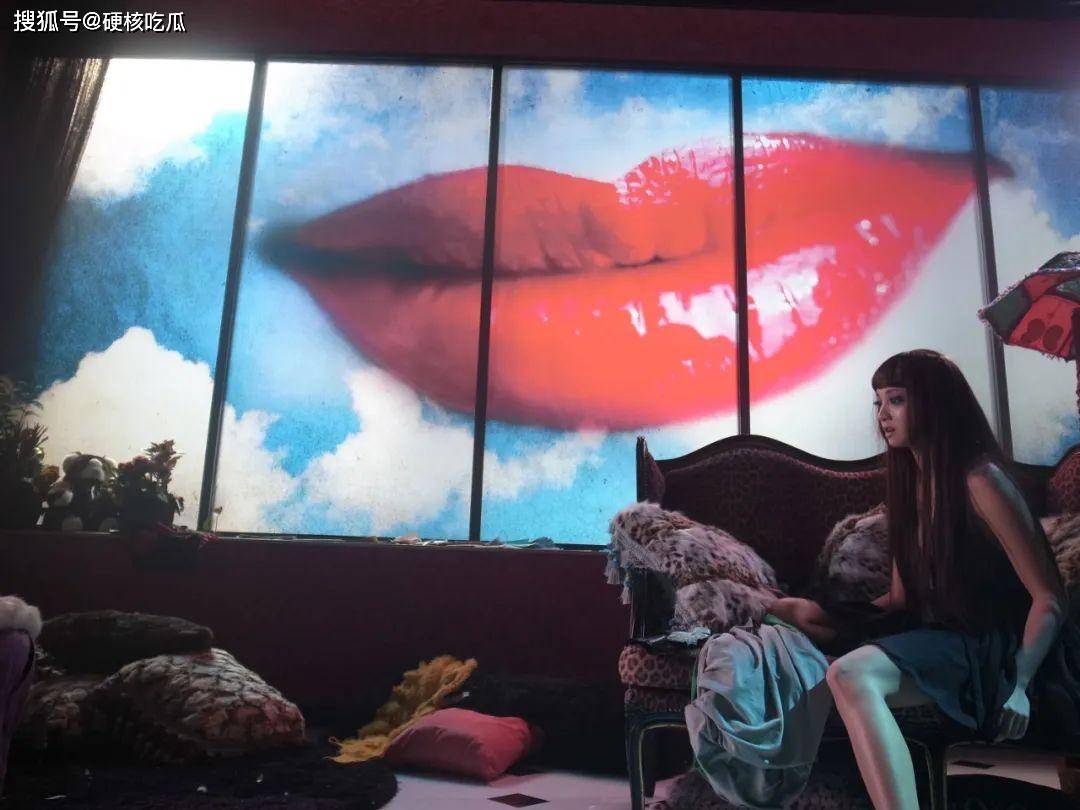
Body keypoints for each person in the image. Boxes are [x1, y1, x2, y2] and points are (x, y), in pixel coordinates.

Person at [770, 349, 1067, 810]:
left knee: (850, 673)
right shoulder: (911, 487)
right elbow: (899, 600)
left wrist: (1021, 684)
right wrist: (825, 619)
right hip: (940, 637)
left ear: (933, 404)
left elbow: (1049, 598)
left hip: (992, 647)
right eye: (878, 402)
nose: (882, 416)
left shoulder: (981, 480)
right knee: (806, 633)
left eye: (896, 400)